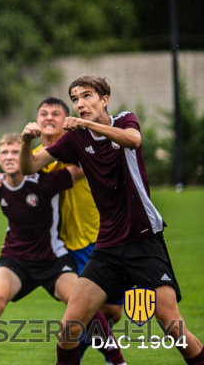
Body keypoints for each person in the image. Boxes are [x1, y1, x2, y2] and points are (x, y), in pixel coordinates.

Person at [18, 75, 204, 365]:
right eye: (75, 99)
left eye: (87, 96)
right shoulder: (75, 139)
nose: (80, 103)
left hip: (144, 239)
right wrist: (26, 141)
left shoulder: (124, 120)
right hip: (107, 247)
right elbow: (30, 166)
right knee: (68, 330)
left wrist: (88, 124)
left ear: (105, 99)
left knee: (173, 327)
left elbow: (134, 140)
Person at [0, 97, 123, 359]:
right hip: (63, 243)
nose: (48, 118)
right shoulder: (34, 158)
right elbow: (18, 174)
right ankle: (94, 357)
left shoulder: (77, 150)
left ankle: (80, 350)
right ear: (35, 120)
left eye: (56, 114)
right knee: (81, 307)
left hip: (94, 236)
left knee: (111, 311)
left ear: (66, 120)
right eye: (43, 113)